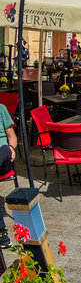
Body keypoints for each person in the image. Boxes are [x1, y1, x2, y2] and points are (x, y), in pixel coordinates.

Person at [0, 103, 20, 248]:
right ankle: (2, 234)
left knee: (3, 150)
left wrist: (12, 147)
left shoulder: (1, 108)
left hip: (2, 152)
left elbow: (12, 136)